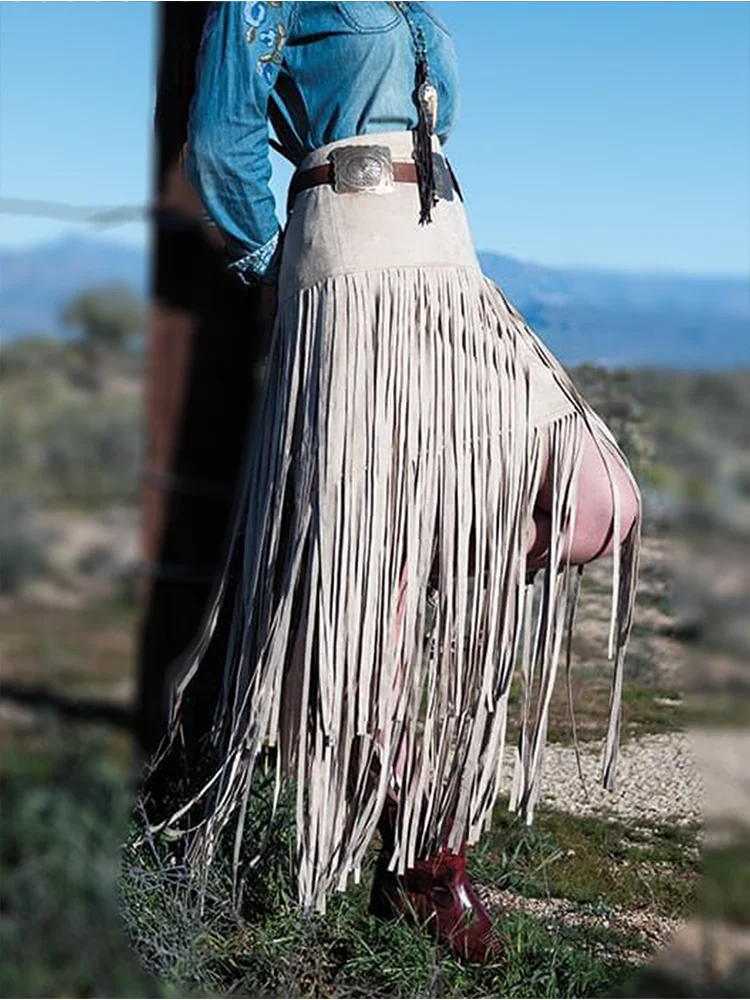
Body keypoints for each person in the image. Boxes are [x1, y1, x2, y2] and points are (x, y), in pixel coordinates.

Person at [153, 0, 641, 964]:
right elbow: (219, 139)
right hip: (350, 269)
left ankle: (369, 574)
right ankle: (423, 862)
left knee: (601, 500)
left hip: (450, 266)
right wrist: (278, 260)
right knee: (359, 619)